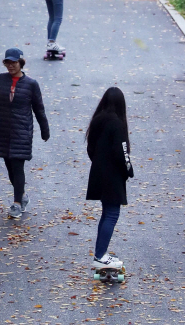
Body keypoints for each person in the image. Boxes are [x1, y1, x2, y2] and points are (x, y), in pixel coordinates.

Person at [0, 48, 50, 219]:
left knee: (17, 165)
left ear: (20, 63)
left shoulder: (31, 84)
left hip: (21, 131)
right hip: (1, 129)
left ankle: (16, 203)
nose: (10, 66)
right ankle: (22, 195)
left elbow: (39, 109)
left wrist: (45, 131)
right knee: (9, 165)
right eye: (7, 63)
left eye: (14, 63)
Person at [86, 87, 134, 273]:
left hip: (98, 173)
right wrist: (129, 170)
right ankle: (100, 256)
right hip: (112, 176)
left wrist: (99, 163)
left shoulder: (97, 121)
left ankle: (101, 254)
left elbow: (90, 148)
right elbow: (121, 152)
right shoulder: (117, 124)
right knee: (112, 214)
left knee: (107, 213)